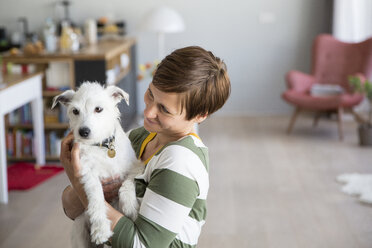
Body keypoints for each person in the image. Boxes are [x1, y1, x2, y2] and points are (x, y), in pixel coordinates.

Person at [61, 46, 231, 247]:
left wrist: (81, 184)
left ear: (199, 115)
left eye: (164, 109)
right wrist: (78, 177)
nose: (148, 112)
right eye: (151, 94)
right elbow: (71, 209)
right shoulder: (137, 137)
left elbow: (143, 244)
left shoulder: (181, 161)